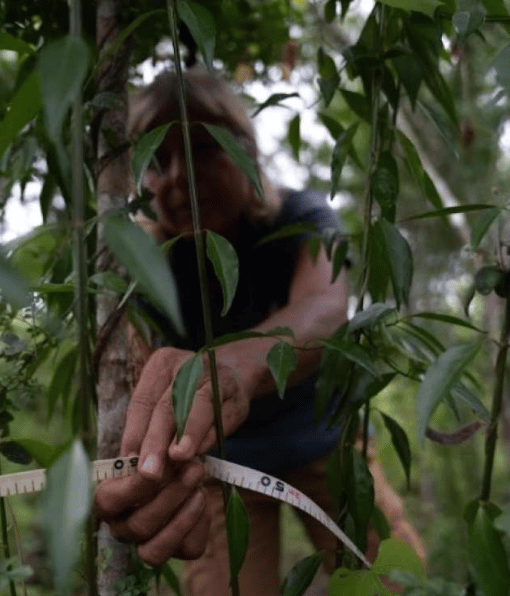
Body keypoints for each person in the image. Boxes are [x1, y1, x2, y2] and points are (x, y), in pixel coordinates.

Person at [94, 70, 424, 595]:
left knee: (396, 582)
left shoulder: (302, 217)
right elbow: (134, 373)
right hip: (222, 468)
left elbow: (324, 307)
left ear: (245, 149)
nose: (178, 178)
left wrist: (232, 370)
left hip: (327, 440)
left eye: (203, 149)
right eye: (157, 160)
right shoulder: (142, 267)